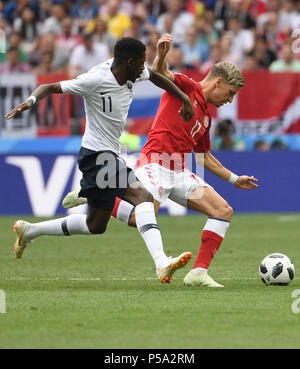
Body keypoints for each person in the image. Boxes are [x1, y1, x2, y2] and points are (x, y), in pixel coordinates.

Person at [63, 34, 259, 288]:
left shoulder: (206, 117)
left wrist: (234, 179)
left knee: (223, 211)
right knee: (137, 218)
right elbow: (160, 72)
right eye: (230, 93)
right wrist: (162, 55)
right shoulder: (188, 87)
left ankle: (198, 272)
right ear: (218, 82)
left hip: (179, 173)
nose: (229, 100)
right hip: (155, 165)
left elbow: (204, 156)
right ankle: (94, 192)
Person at [5, 37, 195, 284]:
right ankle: (161, 262)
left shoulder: (133, 73)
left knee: (95, 225)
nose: (143, 68)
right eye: (140, 63)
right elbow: (50, 87)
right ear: (129, 62)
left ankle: (31, 231)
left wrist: (184, 97)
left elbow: (156, 77)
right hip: (97, 156)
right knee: (143, 197)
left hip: (105, 155)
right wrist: (29, 101)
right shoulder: (94, 79)